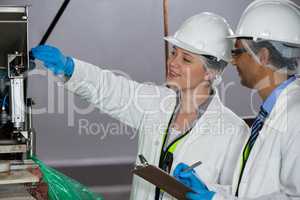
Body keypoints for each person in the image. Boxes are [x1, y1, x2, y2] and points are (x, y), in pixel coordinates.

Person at [31, 13, 249, 200]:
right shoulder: (157, 103)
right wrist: (70, 68)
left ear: (211, 71)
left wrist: (211, 194)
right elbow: (113, 89)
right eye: (174, 52)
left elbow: (239, 194)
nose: (173, 63)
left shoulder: (234, 132)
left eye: (186, 59)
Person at [173, 0, 300, 199]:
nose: (232, 61)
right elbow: (254, 190)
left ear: (263, 56)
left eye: (238, 52)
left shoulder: (296, 116)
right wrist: (210, 191)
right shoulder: (272, 113)